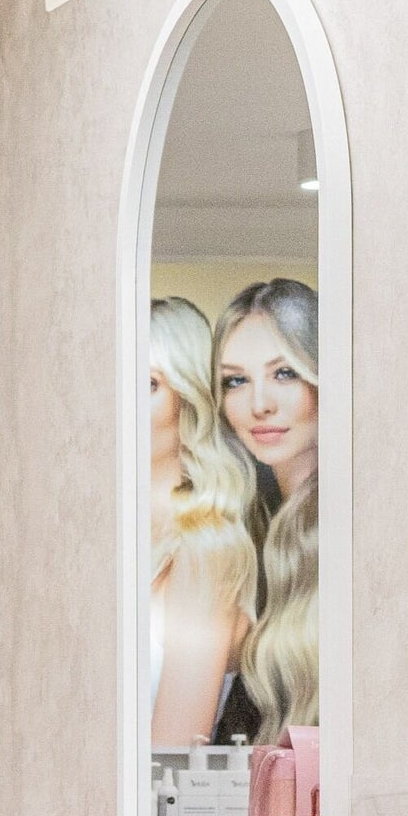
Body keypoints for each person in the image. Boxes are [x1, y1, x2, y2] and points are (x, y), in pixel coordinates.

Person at [145, 293, 259, 747]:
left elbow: (171, 752)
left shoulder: (205, 550)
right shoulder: (103, 541)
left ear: (186, 400)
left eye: (147, 384)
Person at [213, 278, 319, 745]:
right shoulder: (244, 525)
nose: (259, 404)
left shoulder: (356, 531)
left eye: (284, 373)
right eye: (236, 380)